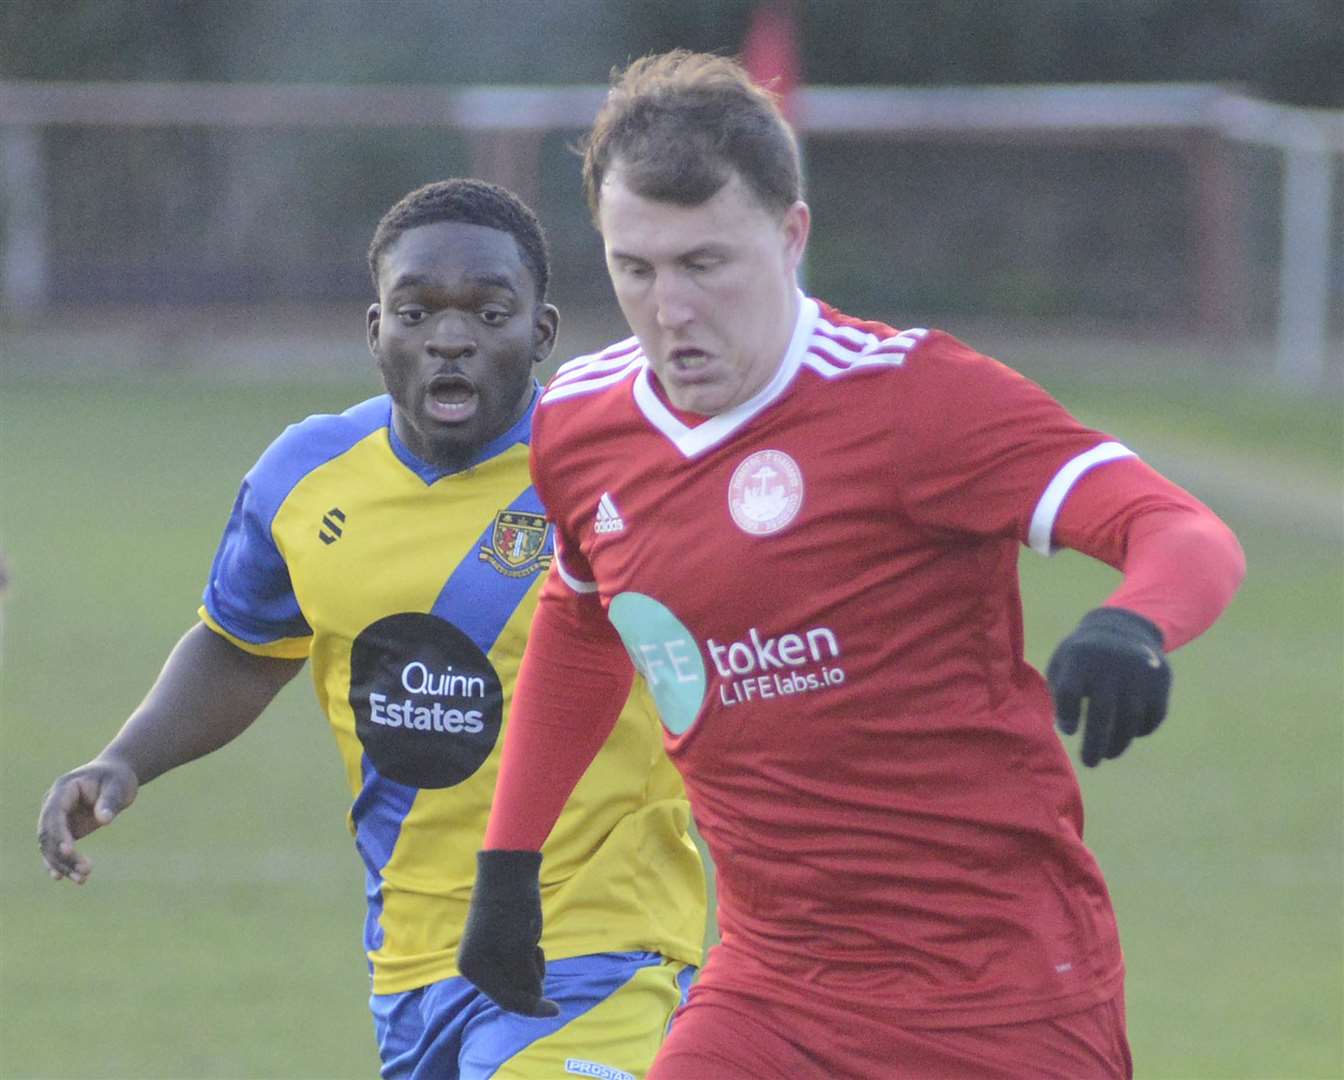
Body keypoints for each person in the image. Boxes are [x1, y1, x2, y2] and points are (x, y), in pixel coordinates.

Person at [456, 51, 1246, 1080]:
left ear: (791, 237)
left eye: (705, 264)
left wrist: (1132, 623)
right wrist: (510, 861)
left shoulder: (913, 400)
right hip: (774, 986)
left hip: (996, 994)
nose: (670, 309)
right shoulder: (579, 423)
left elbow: (1179, 529)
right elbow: (583, 616)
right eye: (635, 268)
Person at [37, 178, 706, 1080]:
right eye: (417, 310)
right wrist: (124, 757)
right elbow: (242, 643)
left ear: (540, 335)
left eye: (490, 312)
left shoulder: (615, 468)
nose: (452, 336)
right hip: (412, 960)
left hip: (599, 941)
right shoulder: (304, 477)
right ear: (375, 332)